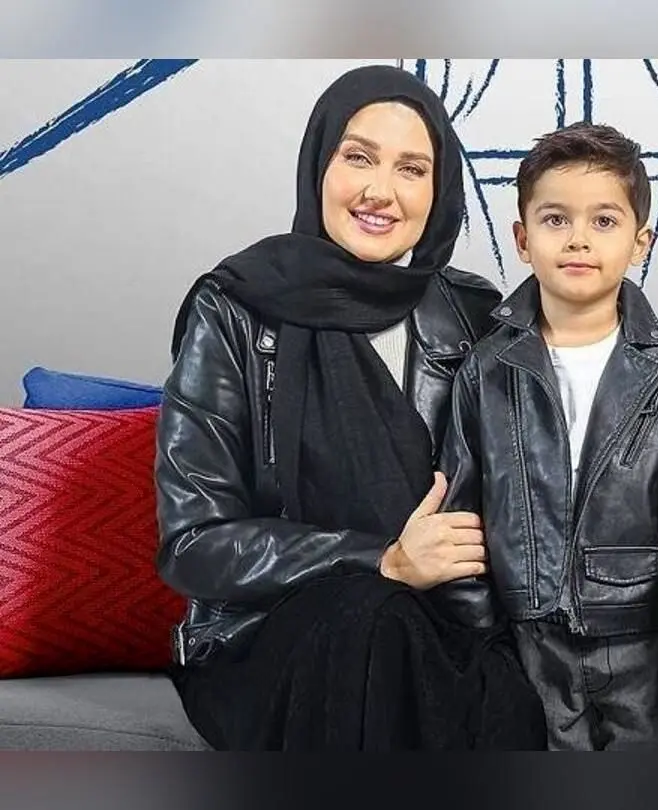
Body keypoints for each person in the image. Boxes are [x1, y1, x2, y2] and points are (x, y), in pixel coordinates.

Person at [155, 65, 546, 750]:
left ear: (440, 191)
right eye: (359, 157)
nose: (379, 191)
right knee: (373, 619)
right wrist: (383, 559)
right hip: (267, 637)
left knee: (486, 677)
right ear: (319, 165)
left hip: (445, 623)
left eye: (411, 169)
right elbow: (194, 543)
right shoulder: (234, 309)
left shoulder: (476, 314)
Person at [431, 122, 658, 750]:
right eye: (555, 220)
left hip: (642, 631)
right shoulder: (487, 370)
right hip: (526, 633)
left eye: (604, 221)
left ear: (640, 241)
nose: (578, 239)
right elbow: (459, 504)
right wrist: (479, 625)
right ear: (522, 239)